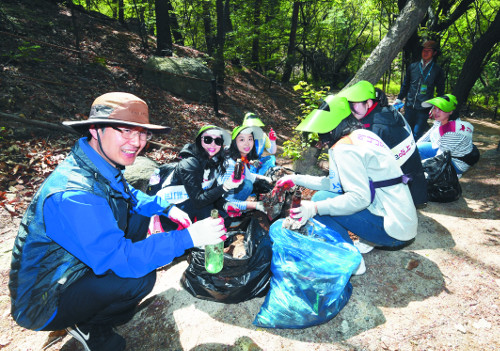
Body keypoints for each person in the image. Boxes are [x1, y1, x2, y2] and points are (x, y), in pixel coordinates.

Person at [8, 92, 228, 351]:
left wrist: (166, 207)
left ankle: (96, 304)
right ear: (95, 129)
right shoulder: (74, 194)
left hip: (75, 266)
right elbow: (122, 260)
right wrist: (189, 238)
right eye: (125, 130)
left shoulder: (97, 163)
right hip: (43, 300)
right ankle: (88, 326)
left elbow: (128, 194)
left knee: (137, 219)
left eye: (143, 133)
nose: (137, 142)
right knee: (138, 279)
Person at [273, 95, 418, 275]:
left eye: (322, 133)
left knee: (320, 202)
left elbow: (359, 198)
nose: (321, 140)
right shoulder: (361, 135)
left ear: (333, 127)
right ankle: (368, 240)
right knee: (324, 199)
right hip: (403, 220)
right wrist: (296, 179)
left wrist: (314, 208)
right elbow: (333, 184)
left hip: (394, 229)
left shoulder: (345, 148)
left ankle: (352, 260)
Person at [338, 80, 428, 207]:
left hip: (403, 195)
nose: (350, 108)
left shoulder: (376, 128)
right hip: (415, 187)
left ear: (368, 103)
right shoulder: (385, 111)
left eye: (353, 104)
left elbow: (368, 165)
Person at [158, 125, 245, 222]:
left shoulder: (212, 162)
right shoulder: (189, 164)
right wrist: (225, 187)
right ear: (199, 141)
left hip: (192, 205)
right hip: (172, 210)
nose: (213, 145)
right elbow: (198, 201)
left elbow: (211, 193)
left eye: (218, 141)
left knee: (222, 218)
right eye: (208, 139)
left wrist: (225, 204)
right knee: (212, 217)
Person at [395, 40, 446, 141]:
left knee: (417, 133)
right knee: (406, 132)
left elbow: (440, 90)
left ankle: (415, 155)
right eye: (424, 50)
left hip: (424, 108)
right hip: (409, 106)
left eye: (429, 50)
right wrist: (399, 98)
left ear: (434, 53)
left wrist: (437, 106)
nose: (425, 52)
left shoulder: (437, 70)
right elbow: (405, 84)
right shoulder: (413, 67)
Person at [417, 94, 477, 177]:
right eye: (435, 108)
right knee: (416, 148)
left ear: (451, 111)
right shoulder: (442, 120)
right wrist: (412, 147)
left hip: (457, 162)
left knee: (421, 169)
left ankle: (453, 175)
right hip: (446, 152)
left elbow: (440, 158)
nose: (436, 112)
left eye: (441, 109)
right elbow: (428, 135)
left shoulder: (453, 132)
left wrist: (419, 168)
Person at [217, 126, 272, 212]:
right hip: (219, 205)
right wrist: (255, 205)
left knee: (247, 183)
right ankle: (230, 215)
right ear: (234, 142)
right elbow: (225, 201)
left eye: (250, 139)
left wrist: (265, 178)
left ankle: (240, 207)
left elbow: (248, 175)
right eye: (242, 140)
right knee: (247, 185)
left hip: (226, 195)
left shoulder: (239, 158)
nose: (247, 144)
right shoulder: (231, 166)